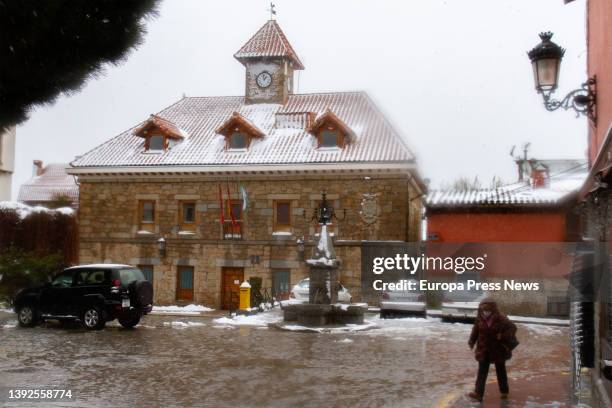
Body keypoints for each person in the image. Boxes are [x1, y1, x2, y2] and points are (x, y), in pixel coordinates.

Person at [467, 298, 517, 402]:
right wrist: (471, 341)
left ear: (493, 310)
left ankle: (504, 392)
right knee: (482, 372)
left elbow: (513, 328)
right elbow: (475, 330)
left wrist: (502, 335)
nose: (485, 313)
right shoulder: (479, 318)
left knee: (501, 371)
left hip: (498, 350)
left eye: (488, 310)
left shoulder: (502, 319)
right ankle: (478, 394)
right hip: (484, 350)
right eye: (484, 310)